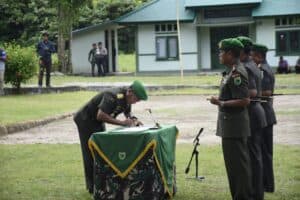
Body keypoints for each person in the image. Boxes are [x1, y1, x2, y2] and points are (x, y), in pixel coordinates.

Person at [73, 80, 148, 194]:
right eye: (136, 99)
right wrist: (122, 123)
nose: (136, 102)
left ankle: (101, 183)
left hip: (97, 122)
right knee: (90, 152)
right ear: (130, 92)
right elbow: (100, 115)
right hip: (85, 119)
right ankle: (92, 187)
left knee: (100, 151)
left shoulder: (127, 100)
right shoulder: (112, 96)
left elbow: (128, 114)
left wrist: (134, 120)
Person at [209, 38, 252, 200]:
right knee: (233, 167)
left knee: (239, 167)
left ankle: (243, 196)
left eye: (221, 52)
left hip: (235, 127)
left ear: (229, 54)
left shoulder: (237, 73)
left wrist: (220, 102)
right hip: (230, 126)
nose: (219, 55)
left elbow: (245, 100)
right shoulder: (231, 71)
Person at [237, 36, 267, 200]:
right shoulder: (252, 65)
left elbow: (253, 92)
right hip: (257, 113)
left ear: (241, 50)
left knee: (253, 157)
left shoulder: (247, 67)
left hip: (252, 115)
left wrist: (231, 97)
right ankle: (257, 193)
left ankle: (255, 194)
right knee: (255, 156)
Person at [251, 43, 277, 193]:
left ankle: (268, 185)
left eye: (253, 55)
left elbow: (267, 91)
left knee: (266, 153)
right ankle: (266, 183)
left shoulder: (264, 70)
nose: (251, 58)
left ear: (259, 56)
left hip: (266, 115)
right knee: (263, 151)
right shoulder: (262, 69)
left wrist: (253, 94)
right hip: (266, 115)